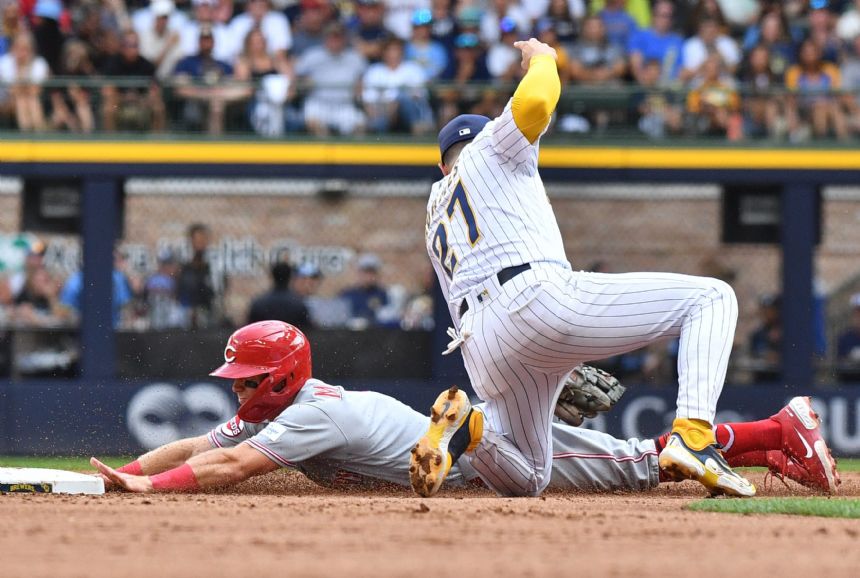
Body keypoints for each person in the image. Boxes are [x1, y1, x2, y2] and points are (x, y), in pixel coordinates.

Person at [412, 37, 756, 500]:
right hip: (534, 299)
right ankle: (693, 437)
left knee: (532, 475)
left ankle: (472, 427)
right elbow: (535, 99)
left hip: (481, 348)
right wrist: (545, 58)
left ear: (440, 164)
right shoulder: (493, 147)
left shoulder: (434, 209)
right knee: (713, 298)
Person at [91, 321, 840, 495]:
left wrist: (152, 491)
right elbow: (197, 444)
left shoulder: (304, 417)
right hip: (462, 460)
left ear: (279, 381)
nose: (236, 389)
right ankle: (769, 445)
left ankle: (783, 427)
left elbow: (223, 465)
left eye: (246, 379)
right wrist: (128, 475)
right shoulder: (282, 408)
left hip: (481, 462)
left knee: (645, 464)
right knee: (638, 463)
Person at [101, 30, 166, 132]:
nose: (132, 48)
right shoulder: (112, 63)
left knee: (158, 107)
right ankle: (111, 142)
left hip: (142, 104)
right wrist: (124, 97)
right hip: (119, 105)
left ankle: (156, 143)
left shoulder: (147, 65)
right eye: (129, 45)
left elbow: (155, 90)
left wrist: (141, 99)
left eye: (135, 45)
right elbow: (107, 91)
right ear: (122, 46)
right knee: (109, 108)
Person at [176, 223, 220, 328]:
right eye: (197, 240)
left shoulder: (214, 267)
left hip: (208, 314)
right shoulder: (184, 267)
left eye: (203, 240)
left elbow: (218, 293)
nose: (200, 244)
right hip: (186, 316)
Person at [247, 262, 310, 328]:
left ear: (272, 276)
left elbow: (251, 328)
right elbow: (307, 330)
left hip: (265, 338)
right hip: (290, 337)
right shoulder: (298, 304)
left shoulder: (259, 303)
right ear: (290, 277)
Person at [339, 253, 389, 326]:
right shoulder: (347, 294)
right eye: (366, 272)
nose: (369, 276)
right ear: (359, 273)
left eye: (372, 272)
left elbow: (386, 317)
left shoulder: (382, 294)